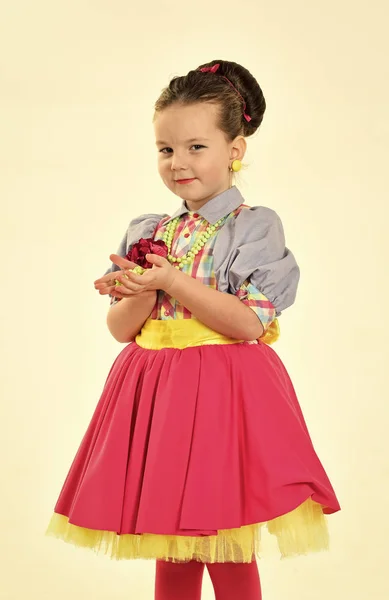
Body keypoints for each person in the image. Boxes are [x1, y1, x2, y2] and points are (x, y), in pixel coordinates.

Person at [46, 59, 340, 600]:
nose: (178, 162)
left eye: (196, 147)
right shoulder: (149, 230)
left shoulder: (254, 226)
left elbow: (249, 323)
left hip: (226, 394)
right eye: (165, 149)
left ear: (235, 149)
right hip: (156, 391)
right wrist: (141, 290)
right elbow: (120, 330)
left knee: (225, 541)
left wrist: (173, 282)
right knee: (171, 542)